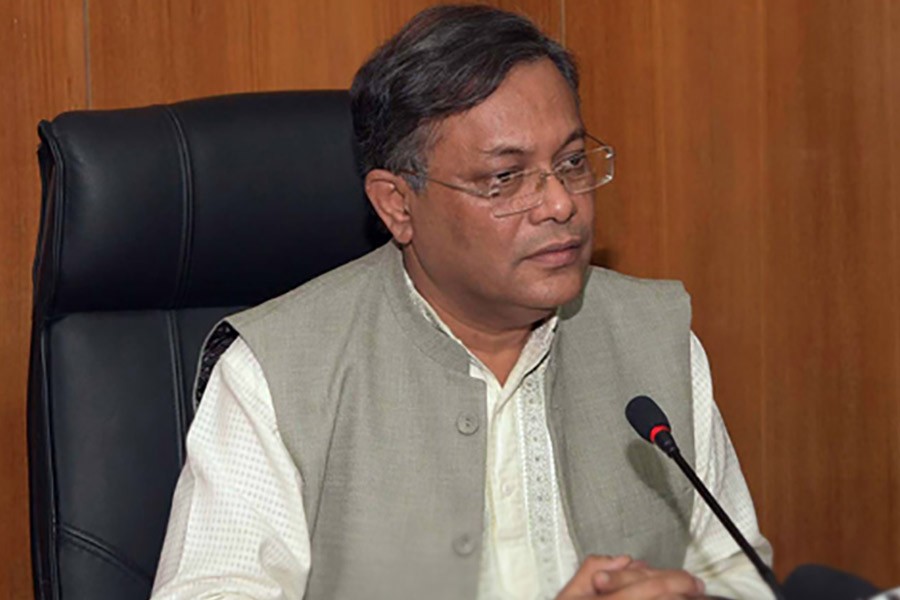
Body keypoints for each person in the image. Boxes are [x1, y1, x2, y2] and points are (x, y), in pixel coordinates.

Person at [151, 5, 774, 599]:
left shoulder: (653, 340)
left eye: (571, 162)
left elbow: (738, 573)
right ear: (398, 205)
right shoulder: (275, 373)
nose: (561, 203)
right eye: (505, 177)